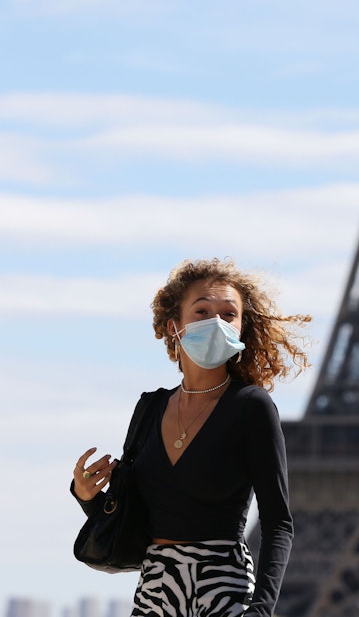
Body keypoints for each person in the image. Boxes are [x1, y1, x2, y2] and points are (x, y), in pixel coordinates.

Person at [71, 258, 310, 617]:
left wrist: (261, 610)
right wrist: (89, 497)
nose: (216, 321)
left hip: (223, 589)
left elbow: (278, 521)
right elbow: (134, 515)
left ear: (241, 328)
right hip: (155, 591)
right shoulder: (150, 408)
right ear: (175, 326)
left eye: (229, 314)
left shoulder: (251, 407)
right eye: (202, 311)